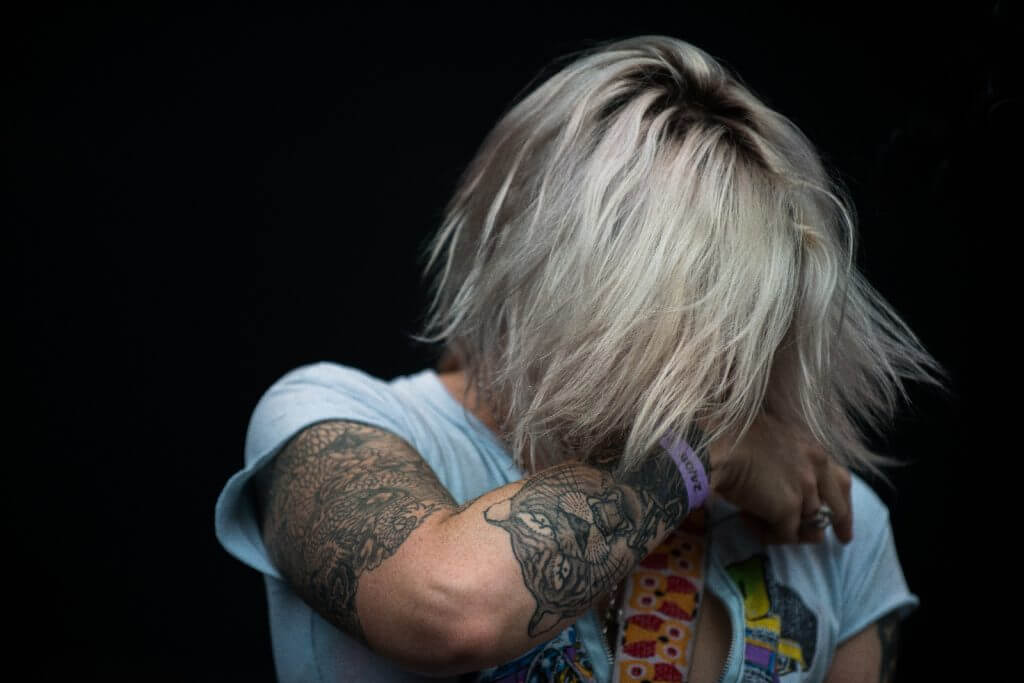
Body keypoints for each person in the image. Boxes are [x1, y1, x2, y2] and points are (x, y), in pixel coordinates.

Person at [215, 35, 944, 682]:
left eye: (750, 320)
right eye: (680, 307)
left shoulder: (833, 522)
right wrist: (707, 453)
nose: (721, 366)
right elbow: (451, 609)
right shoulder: (337, 418)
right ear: (542, 267)